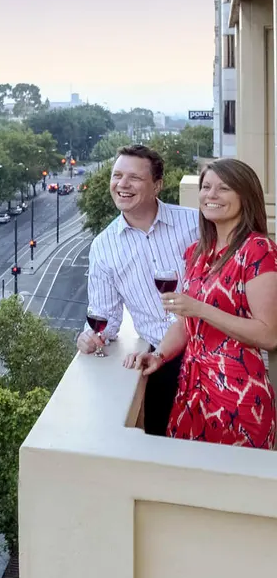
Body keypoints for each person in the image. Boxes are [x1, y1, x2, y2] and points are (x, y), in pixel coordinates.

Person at [127, 158, 277, 449]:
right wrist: (159, 355)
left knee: (231, 488)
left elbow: (268, 334)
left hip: (237, 393)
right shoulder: (196, 253)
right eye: (206, 187)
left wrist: (200, 309)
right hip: (190, 390)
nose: (211, 195)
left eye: (224, 188)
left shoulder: (259, 249)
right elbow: (185, 324)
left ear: (245, 196)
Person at [81, 145, 199, 435]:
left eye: (134, 177)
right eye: (117, 175)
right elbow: (104, 319)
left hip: (214, 352)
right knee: (165, 451)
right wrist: (90, 337)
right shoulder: (104, 246)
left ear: (157, 185)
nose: (122, 184)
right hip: (162, 362)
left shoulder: (195, 224)